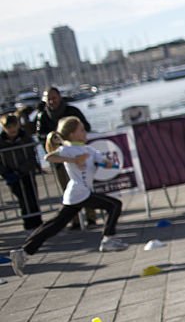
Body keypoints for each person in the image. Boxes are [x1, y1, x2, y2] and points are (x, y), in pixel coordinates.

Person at [10, 117, 128, 277]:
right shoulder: (68, 150)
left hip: (78, 194)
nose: (84, 133)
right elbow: (49, 157)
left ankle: (23, 252)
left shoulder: (89, 150)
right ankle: (108, 240)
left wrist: (108, 164)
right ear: (72, 134)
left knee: (54, 225)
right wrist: (73, 160)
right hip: (79, 192)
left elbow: (103, 161)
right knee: (114, 205)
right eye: (81, 130)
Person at [35, 87, 96, 228]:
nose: (51, 101)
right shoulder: (42, 116)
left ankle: (90, 217)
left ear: (60, 97)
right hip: (60, 160)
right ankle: (74, 220)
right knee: (68, 190)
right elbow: (40, 135)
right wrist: (53, 136)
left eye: (54, 98)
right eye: (48, 99)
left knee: (85, 186)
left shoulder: (72, 112)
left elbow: (85, 126)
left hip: (78, 156)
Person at [0, 114, 42, 230]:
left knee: (32, 196)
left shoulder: (25, 137)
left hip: (26, 172)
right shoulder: (1, 141)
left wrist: (22, 170)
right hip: (11, 174)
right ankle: (28, 223)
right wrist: (6, 172)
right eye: (8, 127)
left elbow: (32, 155)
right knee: (22, 199)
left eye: (14, 126)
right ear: (4, 128)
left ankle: (38, 222)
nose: (12, 129)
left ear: (18, 125)